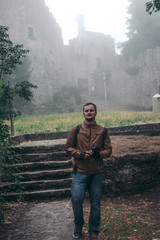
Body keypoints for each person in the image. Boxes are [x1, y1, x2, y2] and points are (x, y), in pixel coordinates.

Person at [65, 102, 112, 240]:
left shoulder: (103, 130)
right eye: (86, 111)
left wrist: (99, 154)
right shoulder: (76, 129)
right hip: (80, 171)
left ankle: (94, 231)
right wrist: (79, 154)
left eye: (92, 110)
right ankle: (78, 226)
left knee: (95, 203)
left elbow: (109, 150)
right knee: (76, 200)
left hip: (97, 172)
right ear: (83, 113)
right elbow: (67, 147)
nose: (89, 112)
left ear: (96, 113)